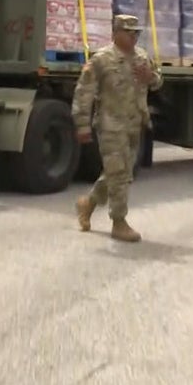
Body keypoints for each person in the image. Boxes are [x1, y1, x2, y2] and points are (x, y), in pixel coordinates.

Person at [71, 14, 163, 243]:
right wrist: (82, 125)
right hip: (110, 125)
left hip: (134, 124)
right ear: (115, 34)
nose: (133, 37)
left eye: (136, 33)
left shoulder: (142, 57)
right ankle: (119, 222)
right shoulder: (102, 60)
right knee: (118, 173)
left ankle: (88, 203)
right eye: (128, 32)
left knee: (120, 173)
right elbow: (84, 93)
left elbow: (158, 81)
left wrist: (150, 77)